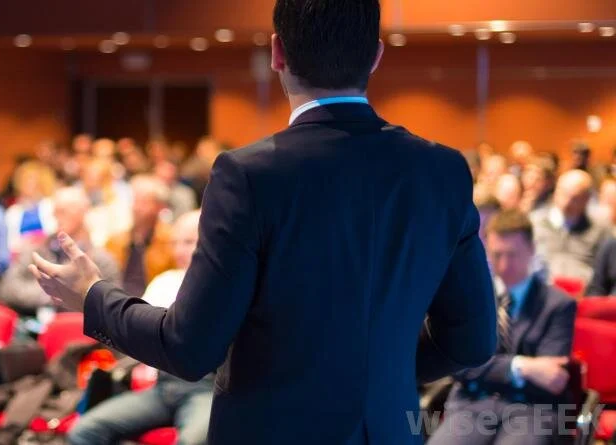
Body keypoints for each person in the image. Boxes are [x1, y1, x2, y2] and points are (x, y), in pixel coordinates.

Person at [28, 0, 498, 443]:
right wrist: (374, 372)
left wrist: (93, 297)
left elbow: (190, 347)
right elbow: (473, 342)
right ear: (375, 56)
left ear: (277, 52)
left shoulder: (250, 175)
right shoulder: (442, 171)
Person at [427, 210, 576, 444]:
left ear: (532, 249)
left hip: (532, 409)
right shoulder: (471, 298)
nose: (505, 265)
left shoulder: (559, 304)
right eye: (497, 255)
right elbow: (460, 367)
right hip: (472, 404)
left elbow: (551, 378)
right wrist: (522, 366)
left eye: (513, 255)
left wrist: (488, 368)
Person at [68, 211, 213, 445]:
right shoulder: (165, 281)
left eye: (188, 242)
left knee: (191, 442)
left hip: (204, 389)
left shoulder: (222, 289)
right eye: (174, 243)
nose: (178, 251)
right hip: (163, 387)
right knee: (84, 430)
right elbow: (134, 331)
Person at [0, 187, 119, 316]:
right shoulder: (35, 249)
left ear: (83, 212)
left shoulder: (101, 259)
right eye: (55, 211)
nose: (57, 217)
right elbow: (7, 289)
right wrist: (52, 294)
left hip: (78, 325)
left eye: (64, 211)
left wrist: (59, 294)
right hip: (31, 320)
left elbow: (110, 305)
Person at [530, 169, 610, 285]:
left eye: (575, 198)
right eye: (564, 194)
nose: (567, 202)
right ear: (556, 191)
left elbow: (605, 269)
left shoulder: (600, 229)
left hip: (583, 289)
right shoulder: (535, 222)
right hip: (544, 288)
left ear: (586, 199)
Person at [105, 175, 176, 297]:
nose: (136, 208)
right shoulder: (115, 241)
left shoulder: (171, 240)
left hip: (153, 302)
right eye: (135, 201)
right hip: (118, 300)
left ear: (159, 207)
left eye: (144, 202)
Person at [4, 160, 58, 252]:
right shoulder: (13, 211)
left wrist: (38, 239)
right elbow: (9, 242)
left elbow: (55, 231)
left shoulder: (51, 205)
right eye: (25, 180)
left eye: (32, 179)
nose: (29, 183)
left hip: (49, 251)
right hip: (21, 253)